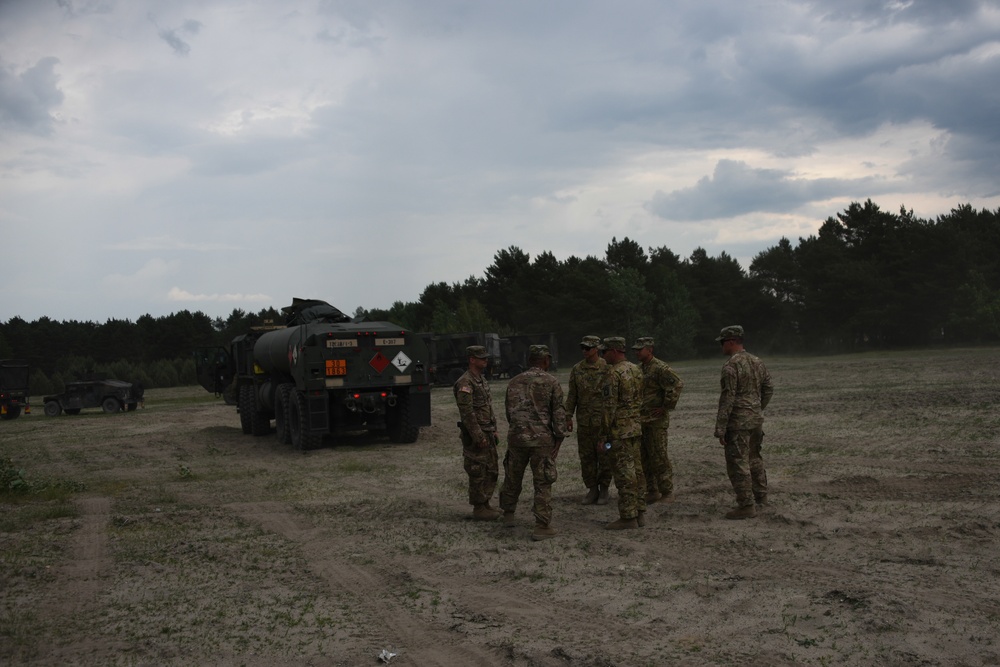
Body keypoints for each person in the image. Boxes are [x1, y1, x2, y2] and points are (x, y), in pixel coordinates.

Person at [500, 345, 567, 541]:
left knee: (512, 477)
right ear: (546, 360)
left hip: (517, 438)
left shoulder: (514, 381)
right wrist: (559, 438)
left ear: (530, 360)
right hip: (541, 440)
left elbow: (509, 411)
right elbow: (558, 414)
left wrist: (518, 429)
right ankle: (542, 525)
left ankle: (508, 514)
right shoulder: (551, 382)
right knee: (543, 481)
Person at [714, 325, 774, 520]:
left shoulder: (731, 366)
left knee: (737, 463)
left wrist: (720, 428)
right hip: (755, 420)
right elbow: (768, 388)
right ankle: (761, 497)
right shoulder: (757, 361)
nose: (721, 346)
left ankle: (746, 505)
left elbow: (727, 398)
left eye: (723, 342)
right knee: (755, 458)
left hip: (738, 423)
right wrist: (757, 407)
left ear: (731, 341)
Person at [598, 337, 646, 530]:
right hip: (634, 428)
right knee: (637, 471)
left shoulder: (613, 373)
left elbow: (608, 408)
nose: (602, 355)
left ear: (615, 351)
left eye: (605, 351)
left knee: (623, 473)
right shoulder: (636, 369)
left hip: (619, 432)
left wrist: (603, 437)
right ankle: (640, 512)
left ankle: (628, 517)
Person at [632, 337, 684, 504]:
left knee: (659, 457)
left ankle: (667, 491)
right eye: (636, 349)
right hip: (641, 420)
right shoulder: (638, 369)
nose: (637, 352)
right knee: (644, 458)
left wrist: (665, 406)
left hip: (656, 421)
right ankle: (652, 490)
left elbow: (676, 384)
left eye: (640, 349)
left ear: (650, 350)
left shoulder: (660, 368)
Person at [454, 345, 502, 521]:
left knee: (491, 469)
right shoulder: (465, 383)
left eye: (485, 357)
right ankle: (478, 507)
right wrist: (478, 435)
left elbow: (487, 407)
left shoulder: (481, 380)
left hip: (487, 432)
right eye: (481, 358)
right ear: (472, 360)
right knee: (477, 470)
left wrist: (494, 429)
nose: (485, 360)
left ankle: (485, 502)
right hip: (476, 435)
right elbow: (467, 413)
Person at [563, 335, 612, 505]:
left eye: (588, 348)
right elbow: (572, 395)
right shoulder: (577, 369)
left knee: (605, 455)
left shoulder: (607, 367)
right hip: (584, 423)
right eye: (582, 348)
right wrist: (568, 415)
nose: (584, 351)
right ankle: (592, 489)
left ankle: (604, 489)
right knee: (586, 457)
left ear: (596, 349)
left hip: (603, 423)